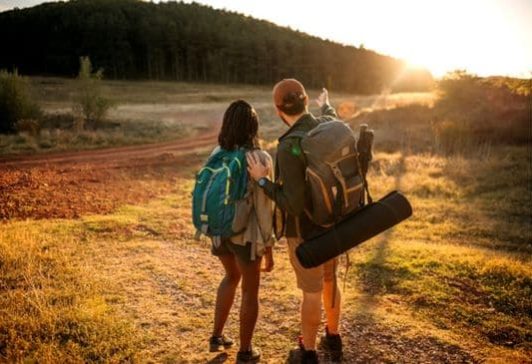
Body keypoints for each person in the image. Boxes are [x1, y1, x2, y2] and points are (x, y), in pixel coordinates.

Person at [246, 79, 343, 364]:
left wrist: (262, 180)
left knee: (311, 292)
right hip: (335, 223)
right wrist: (326, 103)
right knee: (330, 280)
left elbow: (293, 203)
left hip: (304, 231)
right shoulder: (327, 126)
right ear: (305, 101)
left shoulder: (289, 145)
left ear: (278, 110)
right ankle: (334, 338)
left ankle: (308, 353)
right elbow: (331, 116)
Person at [209, 100, 274, 363]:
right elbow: (264, 209)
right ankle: (246, 351)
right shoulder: (260, 158)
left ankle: (216, 336)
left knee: (229, 277)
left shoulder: (216, 153)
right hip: (245, 237)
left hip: (218, 232)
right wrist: (268, 249)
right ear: (253, 127)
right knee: (249, 291)